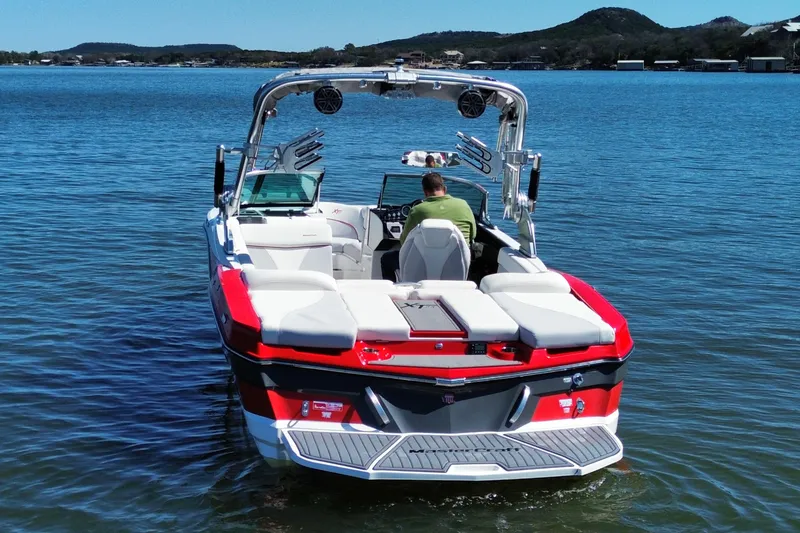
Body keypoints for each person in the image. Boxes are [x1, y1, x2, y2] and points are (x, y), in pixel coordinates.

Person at [381, 172, 476, 282]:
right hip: (457, 266)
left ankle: (394, 289)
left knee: (386, 259)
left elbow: (404, 242)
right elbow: (472, 235)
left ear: (425, 192)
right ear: (445, 189)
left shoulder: (417, 210)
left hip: (420, 268)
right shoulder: (464, 205)